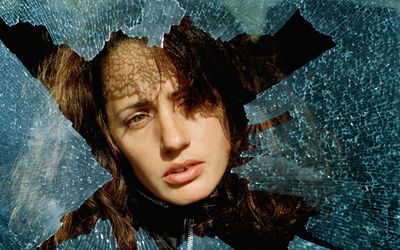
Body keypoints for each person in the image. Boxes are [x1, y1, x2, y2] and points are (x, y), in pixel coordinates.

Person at [38, 17, 314, 249]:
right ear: (105, 138)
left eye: (191, 101)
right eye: (137, 118)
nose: (173, 140)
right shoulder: (84, 239)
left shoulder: (309, 222)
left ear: (231, 102)